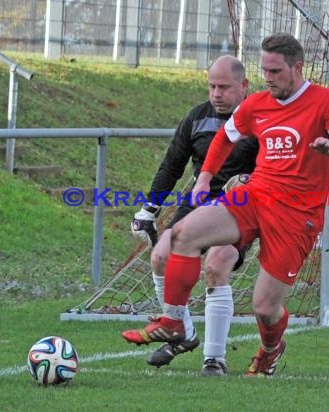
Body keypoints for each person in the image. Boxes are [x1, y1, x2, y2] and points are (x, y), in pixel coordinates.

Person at [122, 32, 329, 377]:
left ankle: (270, 350)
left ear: (297, 67)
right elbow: (225, 137)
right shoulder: (257, 105)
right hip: (254, 196)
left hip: (297, 215)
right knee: (181, 235)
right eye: (264, 70)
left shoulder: (326, 102)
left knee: (265, 308)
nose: (268, 78)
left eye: (275, 71)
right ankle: (175, 323)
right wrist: (206, 177)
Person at [127, 55, 259, 376]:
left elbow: (279, 167)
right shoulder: (197, 118)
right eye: (212, 86)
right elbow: (172, 164)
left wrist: (249, 182)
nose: (216, 94)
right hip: (199, 202)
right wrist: (149, 210)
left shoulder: (260, 121)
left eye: (224, 87)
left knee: (217, 264)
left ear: (244, 87)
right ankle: (182, 331)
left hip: (240, 208)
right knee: (160, 257)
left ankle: (214, 359)